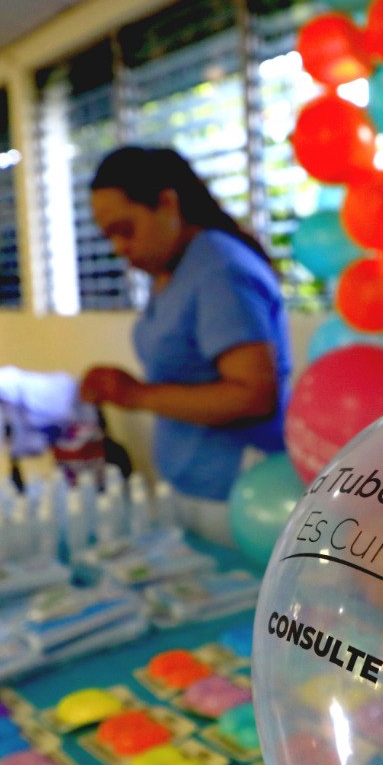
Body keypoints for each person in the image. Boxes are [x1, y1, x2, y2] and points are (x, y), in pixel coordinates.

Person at [80, 146, 293, 547]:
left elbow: (254, 395)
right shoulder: (174, 269)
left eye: (125, 229)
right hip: (192, 487)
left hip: (237, 495)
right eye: (109, 236)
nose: (119, 248)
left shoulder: (218, 268)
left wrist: (137, 395)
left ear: (167, 203)